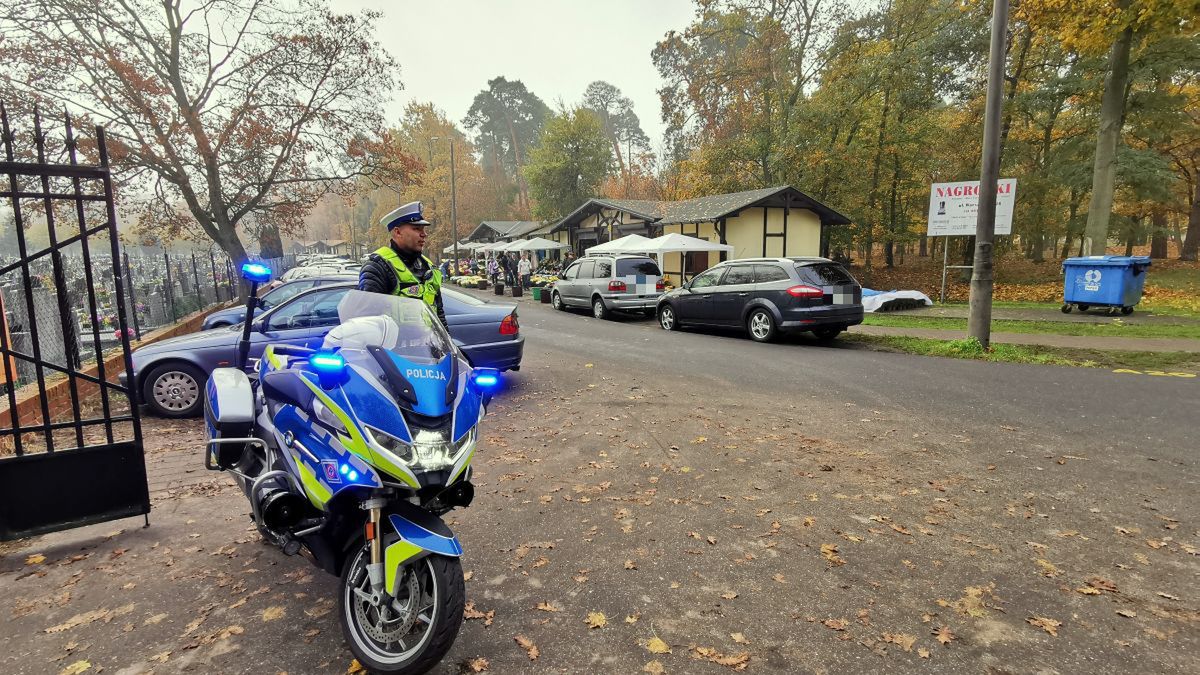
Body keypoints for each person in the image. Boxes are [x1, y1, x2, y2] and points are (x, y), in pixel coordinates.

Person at [358, 201, 448, 328]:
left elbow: (439, 316)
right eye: (416, 228)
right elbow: (369, 323)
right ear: (398, 232)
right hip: (394, 347)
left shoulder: (428, 266)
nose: (424, 234)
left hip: (428, 346)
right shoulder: (377, 266)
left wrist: (447, 345)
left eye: (423, 229)